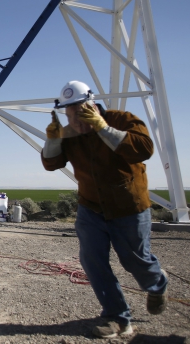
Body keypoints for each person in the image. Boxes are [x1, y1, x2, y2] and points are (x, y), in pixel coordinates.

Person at [41, 81, 168, 339]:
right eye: (69, 114)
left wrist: (103, 128)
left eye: (78, 112)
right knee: (92, 260)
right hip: (90, 208)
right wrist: (53, 140)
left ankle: (156, 283)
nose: (74, 120)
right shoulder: (69, 133)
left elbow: (144, 149)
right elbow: (51, 164)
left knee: (135, 260)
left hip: (128, 207)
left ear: (91, 104)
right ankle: (117, 317)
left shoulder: (122, 120)